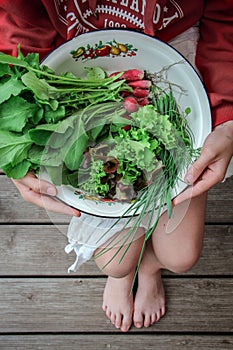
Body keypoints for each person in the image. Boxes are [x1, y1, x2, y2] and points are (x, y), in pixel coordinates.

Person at [0, 0, 232, 333]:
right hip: (77, 55)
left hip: (179, 57)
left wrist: (226, 119)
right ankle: (131, 269)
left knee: (180, 257)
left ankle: (150, 267)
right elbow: (21, 30)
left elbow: (226, 21)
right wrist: (10, 139)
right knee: (115, 262)